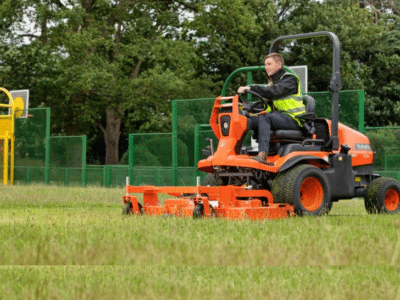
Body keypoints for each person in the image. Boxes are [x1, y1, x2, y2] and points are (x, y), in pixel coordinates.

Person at [237, 53, 305, 164]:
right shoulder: (272, 84)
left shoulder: (290, 79)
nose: (266, 67)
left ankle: (262, 154)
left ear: (279, 64)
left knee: (265, 117)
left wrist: (251, 88)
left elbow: (274, 92)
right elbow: (265, 104)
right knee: (248, 119)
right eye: (265, 65)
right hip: (279, 119)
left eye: (269, 64)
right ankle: (235, 153)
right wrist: (247, 108)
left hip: (294, 119)